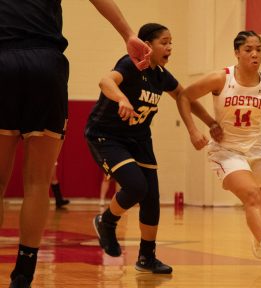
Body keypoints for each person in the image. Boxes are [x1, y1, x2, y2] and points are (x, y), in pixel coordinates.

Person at [0, 1, 151, 287]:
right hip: (46, 65)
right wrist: (128, 33)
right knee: (37, 182)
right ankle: (23, 273)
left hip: (2, 61)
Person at [85, 23, 218, 274]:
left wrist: (205, 124)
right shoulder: (130, 64)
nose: (170, 47)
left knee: (151, 199)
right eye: (164, 42)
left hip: (139, 139)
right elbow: (105, 81)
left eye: (171, 42)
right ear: (147, 45)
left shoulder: (160, 75)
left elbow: (183, 96)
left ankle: (146, 257)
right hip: (107, 135)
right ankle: (106, 221)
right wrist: (122, 98)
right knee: (136, 186)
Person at [177, 30, 261, 279]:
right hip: (227, 150)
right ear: (237, 53)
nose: (254, 54)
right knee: (251, 196)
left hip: (259, 148)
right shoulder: (220, 79)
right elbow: (184, 96)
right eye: (248, 49)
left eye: (258, 49)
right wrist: (194, 129)